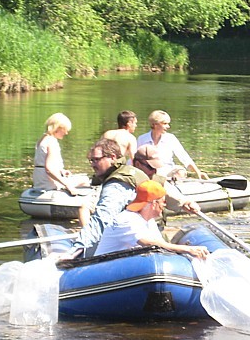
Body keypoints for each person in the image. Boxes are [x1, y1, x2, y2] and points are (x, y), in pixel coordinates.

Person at [70, 139, 200, 257]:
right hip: (125, 240)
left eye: (156, 168)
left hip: (150, 231)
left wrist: (187, 202)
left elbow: (177, 198)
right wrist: (84, 245)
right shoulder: (119, 186)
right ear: (137, 164)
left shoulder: (156, 183)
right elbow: (97, 214)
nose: (153, 171)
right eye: (149, 167)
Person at [95, 180, 210, 259]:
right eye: (163, 202)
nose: (164, 205)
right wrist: (186, 249)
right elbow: (148, 243)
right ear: (154, 203)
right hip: (103, 270)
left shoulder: (149, 221)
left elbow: (162, 245)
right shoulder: (126, 220)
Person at [137, 110, 209, 180]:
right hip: (150, 171)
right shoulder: (142, 139)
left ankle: (175, 185)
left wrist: (197, 172)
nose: (168, 126)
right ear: (155, 124)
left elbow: (183, 156)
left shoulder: (171, 138)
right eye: (165, 124)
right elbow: (135, 159)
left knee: (181, 172)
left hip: (169, 170)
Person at [33, 112, 89, 196]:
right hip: (48, 183)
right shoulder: (52, 142)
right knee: (85, 180)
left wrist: (61, 171)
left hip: (39, 182)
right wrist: (68, 185)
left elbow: (42, 163)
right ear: (58, 128)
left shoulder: (42, 139)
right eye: (65, 130)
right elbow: (49, 169)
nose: (66, 133)